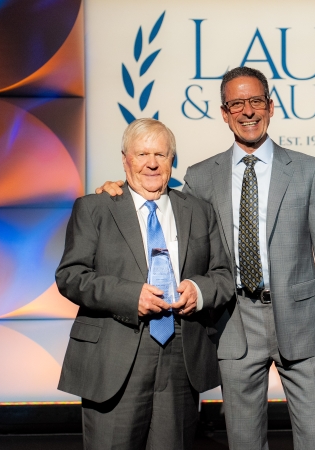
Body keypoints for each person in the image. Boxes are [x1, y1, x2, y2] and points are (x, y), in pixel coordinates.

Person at [97, 67, 315, 450]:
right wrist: (115, 188)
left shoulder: (308, 171)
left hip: (302, 326)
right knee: (244, 442)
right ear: (224, 112)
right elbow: (157, 200)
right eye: (237, 104)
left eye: (255, 102)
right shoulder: (200, 177)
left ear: (270, 106)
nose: (247, 111)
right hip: (234, 323)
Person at [57, 118, 233, 450]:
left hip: (181, 354)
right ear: (125, 159)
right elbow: (70, 276)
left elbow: (223, 275)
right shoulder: (94, 208)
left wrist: (199, 291)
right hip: (115, 351)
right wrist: (128, 295)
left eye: (161, 155)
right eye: (142, 154)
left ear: (172, 160)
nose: (152, 163)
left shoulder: (199, 211)